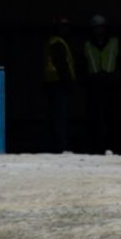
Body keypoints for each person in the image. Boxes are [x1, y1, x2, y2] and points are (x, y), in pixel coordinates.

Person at [80, 13, 121, 153]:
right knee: (94, 118)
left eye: (101, 27)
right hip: (94, 86)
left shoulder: (114, 43)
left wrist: (115, 77)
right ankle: (95, 147)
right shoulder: (87, 45)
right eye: (96, 28)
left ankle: (112, 146)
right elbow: (82, 65)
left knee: (112, 118)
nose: (99, 31)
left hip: (111, 86)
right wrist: (88, 79)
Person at [41, 17, 77, 152]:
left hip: (53, 84)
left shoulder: (54, 42)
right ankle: (59, 146)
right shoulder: (57, 43)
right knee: (59, 117)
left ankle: (55, 145)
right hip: (58, 84)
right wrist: (70, 85)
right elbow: (62, 66)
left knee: (55, 116)